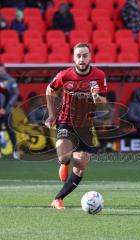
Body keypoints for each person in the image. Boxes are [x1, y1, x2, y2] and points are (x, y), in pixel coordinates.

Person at [45, 42, 107, 209]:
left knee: (81, 165)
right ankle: (64, 163)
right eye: (78, 55)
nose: (82, 59)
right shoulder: (65, 75)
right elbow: (49, 90)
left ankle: (57, 199)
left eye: (85, 55)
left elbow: (104, 103)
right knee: (64, 155)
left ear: (90, 57)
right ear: (73, 57)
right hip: (66, 121)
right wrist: (51, 114)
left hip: (86, 125)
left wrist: (96, 98)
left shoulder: (99, 75)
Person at [0, 64, 19, 159]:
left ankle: (15, 151)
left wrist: (7, 106)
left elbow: (15, 94)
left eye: (2, 71)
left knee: (11, 131)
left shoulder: (11, 81)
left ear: (5, 70)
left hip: (7, 110)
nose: (1, 73)